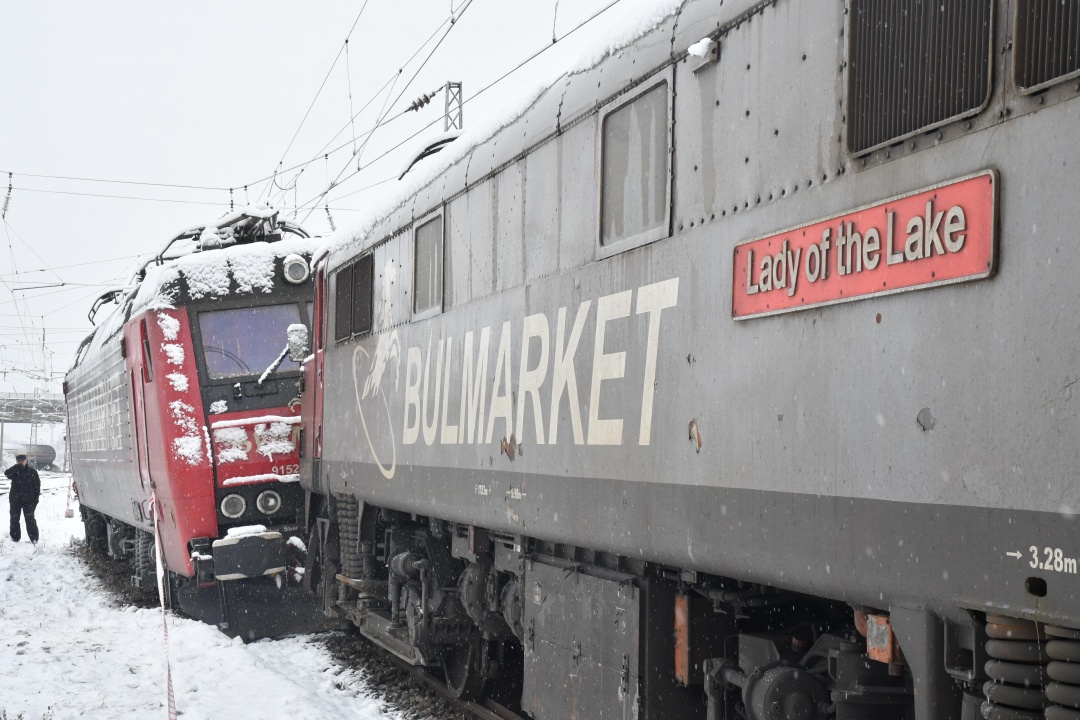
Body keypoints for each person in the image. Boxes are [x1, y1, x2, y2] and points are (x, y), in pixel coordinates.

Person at [6, 454, 41, 544]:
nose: (20, 462)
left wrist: (35, 499)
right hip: (15, 500)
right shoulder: (15, 471)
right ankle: (15, 538)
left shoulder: (32, 472)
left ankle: (34, 539)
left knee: (30, 520)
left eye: (22, 460)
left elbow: (37, 487)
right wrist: (16, 466)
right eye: (18, 461)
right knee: (14, 519)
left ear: (26, 461)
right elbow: (7, 473)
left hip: (28, 501)